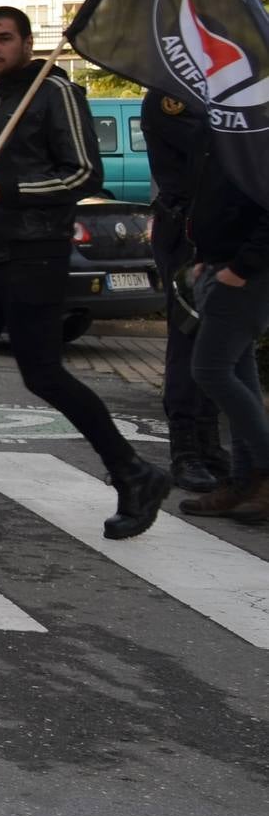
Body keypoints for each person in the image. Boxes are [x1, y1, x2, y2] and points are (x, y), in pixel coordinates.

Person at [0, 7, 168, 540]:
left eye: (3, 38)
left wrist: (7, 192)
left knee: (42, 373)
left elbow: (86, 171)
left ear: (27, 42)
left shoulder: (55, 92)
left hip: (34, 254)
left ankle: (134, 472)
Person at [173, 120, 269, 523]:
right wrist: (203, 255)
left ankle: (264, 469)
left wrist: (243, 266)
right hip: (217, 264)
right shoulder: (224, 125)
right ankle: (245, 481)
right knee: (238, 374)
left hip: (245, 271)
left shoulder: (257, 127)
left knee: (210, 369)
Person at [142, 88, 229, 492]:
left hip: (227, 228)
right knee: (188, 335)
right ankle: (185, 448)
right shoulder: (171, 94)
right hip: (186, 229)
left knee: (223, 341)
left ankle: (210, 444)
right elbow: (200, 155)